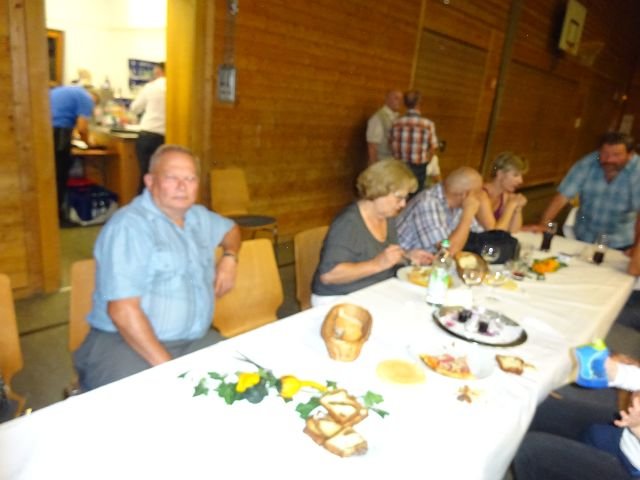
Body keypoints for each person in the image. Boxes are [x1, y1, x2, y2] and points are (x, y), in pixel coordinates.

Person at [74, 144, 241, 391]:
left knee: (246, 386)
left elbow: (232, 230)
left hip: (194, 339)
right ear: (150, 182)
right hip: (126, 342)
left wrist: (230, 256)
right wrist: (171, 371)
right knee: (156, 406)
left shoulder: (199, 216)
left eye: (190, 178)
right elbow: (123, 311)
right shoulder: (130, 226)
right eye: (172, 177)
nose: (182, 186)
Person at [311, 159, 433, 306]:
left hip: (374, 289)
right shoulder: (348, 223)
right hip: (339, 297)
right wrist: (377, 264)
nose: (403, 204)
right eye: (399, 198)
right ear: (378, 191)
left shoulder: (387, 217)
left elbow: (380, 255)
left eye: (405, 198)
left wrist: (407, 256)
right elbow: (329, 275)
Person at [512, 356, 640, 479]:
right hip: (620, 437)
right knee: (537, 407)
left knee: (530, 452)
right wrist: (616, 371)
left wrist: (637, 428)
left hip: (631, 468)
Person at [526, 132, 640, 250]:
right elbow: (562, 197)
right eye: (604, 153)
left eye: (616, 155)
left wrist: (636, 249)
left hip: (621, 241)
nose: (609, 159)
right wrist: (543, 225)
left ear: (630, 155)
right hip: (584, 235)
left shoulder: (637, 170)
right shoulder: (588, 163)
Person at [396, 166, 484, 255]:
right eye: (478, 193)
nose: (480, 198)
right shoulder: (427, 203)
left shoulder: (458, 204)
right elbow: (446, 249)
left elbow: (478, 235)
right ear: (465, 194)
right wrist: (468, 215)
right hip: (403, 260)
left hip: (428, 260)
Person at [50, 85, 98, 219]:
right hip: (58, 133)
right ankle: (58, 216)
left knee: (49, 176)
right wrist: (88, 144)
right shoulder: (86, 98)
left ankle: (49, 215)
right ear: (94, 99)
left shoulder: (65, 91)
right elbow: (82, 128)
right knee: (60, 175)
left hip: (43, 129)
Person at [389, 90, 439, 193]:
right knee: (415, 195)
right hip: (418, 167)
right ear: (419, 103)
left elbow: (390, 143)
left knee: (399, 192)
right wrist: (426, 161)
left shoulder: (396, 123)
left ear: (405, 103)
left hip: (399, 165)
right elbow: (433, 148)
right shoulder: (428, 124)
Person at [130, 62, 166, 193]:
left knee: (146, 176)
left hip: (148, 135)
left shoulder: (151, 87)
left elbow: (135, 108)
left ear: (159, 72)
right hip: (166, 138)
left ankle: (142, 204)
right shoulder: (178, 87)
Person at [476, 152, 529, 233]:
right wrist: (511, 205)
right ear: (500, 174)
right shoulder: (481, 194)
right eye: (515, 175)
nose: (520, 181)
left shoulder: (505, 196)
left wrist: (518, 208)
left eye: (521, 176)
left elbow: (513, 231)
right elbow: (494, 232)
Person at [366, 90, 403, 165]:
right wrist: (374, 166)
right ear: (387, 99)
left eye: (401, 99)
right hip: (382, 163)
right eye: (396, 98)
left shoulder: (398, 117)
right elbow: (372, 145)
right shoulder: (377, 118)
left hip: (393, 163)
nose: (400, 102)